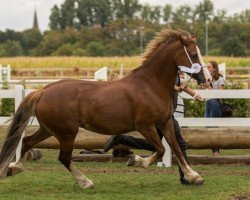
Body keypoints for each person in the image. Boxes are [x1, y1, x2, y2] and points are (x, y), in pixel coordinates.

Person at [103, 73, 204, 185]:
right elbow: (164, 85)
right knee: (180, 144)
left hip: (166, 114)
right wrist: (176, 88)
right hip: (161, 115)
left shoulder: (175, 73)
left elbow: (180, 85)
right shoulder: (166, 72)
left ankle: (122, 139)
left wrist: (194, 94)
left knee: (153, 145)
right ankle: (186, 177)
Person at [205, 61, 225, 156]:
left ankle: (216, 152)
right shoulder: (207, 79)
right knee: (207, 127)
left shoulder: (220, 79)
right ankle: (215, 151)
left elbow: (220, 94)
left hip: (215, 104)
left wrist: (208, 86)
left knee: (214, 128)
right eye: (207, 67)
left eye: (209, 67)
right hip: (208, 103)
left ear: (214, 68)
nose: (207, 68)